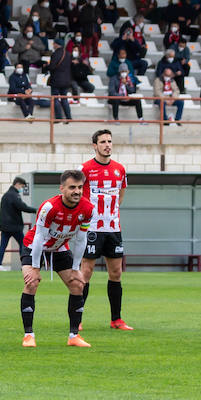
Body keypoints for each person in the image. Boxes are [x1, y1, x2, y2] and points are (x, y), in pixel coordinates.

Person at [19, 169, 95, 348]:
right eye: (72, 187)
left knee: (77, 284)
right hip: (34, 246)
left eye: (79, 187)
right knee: (32, 282)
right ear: (62, 188)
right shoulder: (49, 207)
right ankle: (28, 335)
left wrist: (76, 267)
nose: (76, 191)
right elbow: (38, 237)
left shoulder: (87, 209)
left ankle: (73, 336)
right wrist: (35, 267)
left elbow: (81, 238)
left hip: (59, 248)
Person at [76, 130, 135, 332]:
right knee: (86, 272)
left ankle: (116, 320)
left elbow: (122, 191)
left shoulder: (120, 169)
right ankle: (78, 318)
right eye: (103, 142)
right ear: (95, 145)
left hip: (113, 228)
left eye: (110, 141)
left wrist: (113, 210)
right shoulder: (84, 169)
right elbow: (75, 193)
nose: (107, 145)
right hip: (92, 228)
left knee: (116, 272)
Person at [0, 177, 37, 270]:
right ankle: (24, 265)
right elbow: (22, 207)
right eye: (22, 186)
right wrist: (35, 210)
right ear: (17, 184)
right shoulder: (14, 195)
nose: (21, 189)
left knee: (3, 245)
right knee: (23, 245)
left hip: (5, 226)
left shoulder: (6, 195)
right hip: (14, 226)